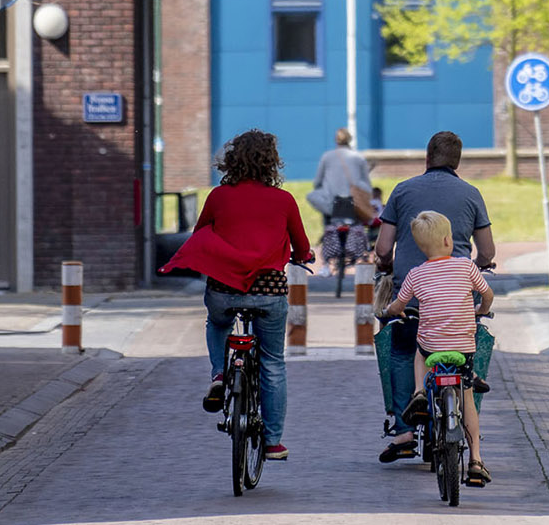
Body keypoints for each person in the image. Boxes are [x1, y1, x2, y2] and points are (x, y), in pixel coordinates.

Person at [158, 129, 313, 461]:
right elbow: (301, 245)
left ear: (231, 160)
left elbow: (201, 234)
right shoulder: (284, 200)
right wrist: (304, 256)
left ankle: (218, 374)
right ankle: (272, 443)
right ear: (271, 163)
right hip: (269, 292)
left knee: (217, 324)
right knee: (272, 363)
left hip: (224, 288)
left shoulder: (218, 196)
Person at [373, 130, 495, 462]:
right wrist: (479, 266)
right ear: (457, 161)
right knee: (471, 340)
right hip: (457, 303)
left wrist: (385, 264)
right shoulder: (471, 194)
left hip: (412, 298)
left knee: (401, 350)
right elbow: (486, 252)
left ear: (427, 158)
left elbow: (383, 248)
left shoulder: (402, 190)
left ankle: (404, 432)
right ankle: (470, 408)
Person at [384, 211, 495, 486]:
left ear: (421, 247)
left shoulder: (416, 274)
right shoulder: (466, 267)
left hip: (433, 346)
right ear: (448, 240)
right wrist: (481, 308)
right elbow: (488, 294)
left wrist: (391, 310)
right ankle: (476, 461)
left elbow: (399, 305)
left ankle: (420, 392)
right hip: (463, 348)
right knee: (467, 398)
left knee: (419, 353)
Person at [312, 128, 373, 265]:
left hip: (332, 204)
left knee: (319, 203)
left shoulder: (327, 157)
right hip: (353, 203)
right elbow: (367, 186)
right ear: (350, 140)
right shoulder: (358, 157)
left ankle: (326, 260)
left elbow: (317, 182)